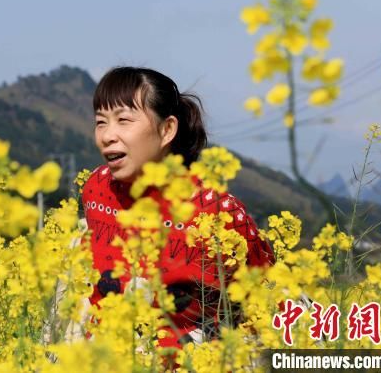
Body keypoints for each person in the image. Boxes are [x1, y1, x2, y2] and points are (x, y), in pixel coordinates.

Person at [81, 66, 274, 352]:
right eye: (101, 122)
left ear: (167, 129)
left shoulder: (216, 211)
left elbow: (268, 294)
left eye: (123, 120)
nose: (108, 135)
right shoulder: (97, 187)